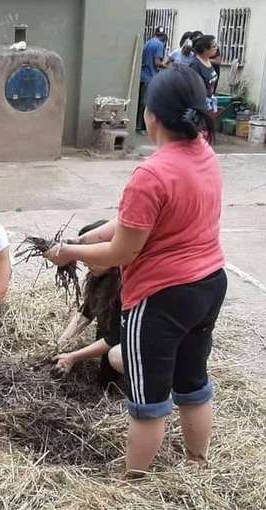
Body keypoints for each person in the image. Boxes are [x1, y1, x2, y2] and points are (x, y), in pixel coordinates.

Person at [45, 65, 227, 475]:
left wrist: (70, 252)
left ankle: (133, 484)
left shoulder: (151, 174)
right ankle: (197, 463)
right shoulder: (206, 154)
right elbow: (137, 223)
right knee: (193, 384)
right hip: (209, 285)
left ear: (150, 116)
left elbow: (122, 254)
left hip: (163, 298)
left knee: (148, 404)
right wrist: (91, 240)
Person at [52, 220, 123, 386]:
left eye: (91, 255)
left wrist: (73, 357)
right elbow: (86, 312)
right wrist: (62, 342)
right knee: (105, 381)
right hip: (112, 340)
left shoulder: (124, 284)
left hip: (128, 344)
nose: (85, 262)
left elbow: (115, 337)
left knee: (115, 360)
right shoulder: (100, 277)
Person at [137, 27, 168, 131]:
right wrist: (169, 67)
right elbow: (157, 62)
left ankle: (138, 125)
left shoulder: (148, 42)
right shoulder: (159, 45)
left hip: (142, 75)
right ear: (164, 36)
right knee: (146, 103)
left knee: (140, 102)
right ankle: (143, 127)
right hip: (150, 76)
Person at [190, 35, 219, 113]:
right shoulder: (195, 64)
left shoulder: (208, 61)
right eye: (214, 46)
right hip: (199, 106)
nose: (216, 48)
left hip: (209, 101)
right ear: (205, 49)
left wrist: (211, 96)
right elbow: (193, 87)